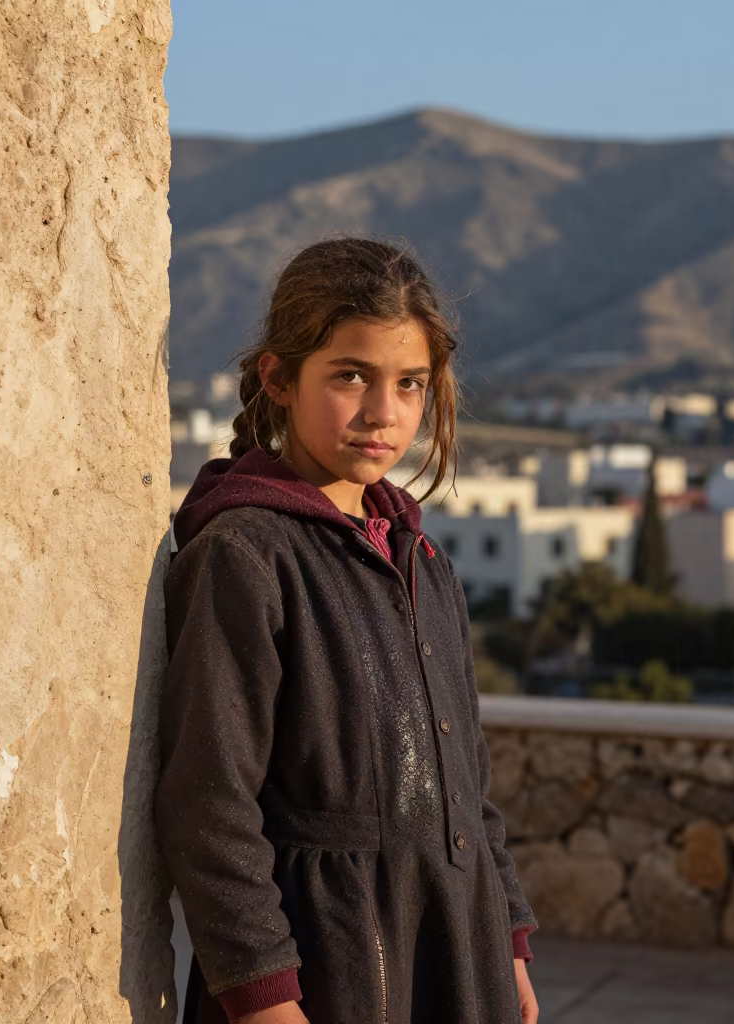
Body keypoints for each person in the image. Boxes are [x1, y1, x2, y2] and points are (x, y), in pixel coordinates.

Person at [155, 238, 539, 1024]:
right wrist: (262, 993)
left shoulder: (422, 560)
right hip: (330, 971)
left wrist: (506, 938)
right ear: (278, 379)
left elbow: (467, 780)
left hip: (457, 954)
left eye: (409, 384)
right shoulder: (245, 555)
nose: (382, 413)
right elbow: (209, 800)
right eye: (350, 376)